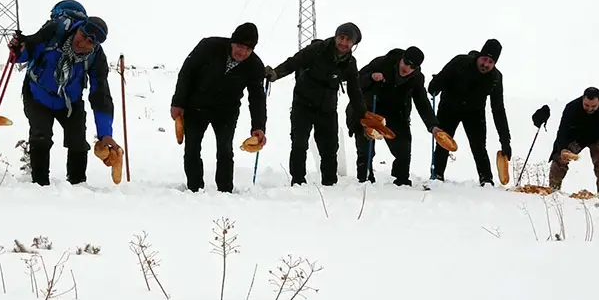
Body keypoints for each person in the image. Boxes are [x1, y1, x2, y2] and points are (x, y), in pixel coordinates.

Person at [8, 13, 120, 185]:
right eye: (83, 36)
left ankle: (78, 184)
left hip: (69, 100)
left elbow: (100, 95)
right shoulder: (54, 31)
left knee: (78, 140)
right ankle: (39, 184)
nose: (82, 44)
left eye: (90, 42)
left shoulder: (95, 57)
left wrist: (105, 133)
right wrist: (18, 50)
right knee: (41, 136)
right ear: (79, 29)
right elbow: (30, 48)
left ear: (95, 46)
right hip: (38, 93)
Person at [265, 23, 366, 186]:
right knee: (299, 143)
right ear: (336, 36)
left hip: (327, 109)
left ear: (354, 44)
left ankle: (330, 182)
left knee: (330, 147)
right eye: (341, 38)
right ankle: (298, 181)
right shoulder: (318, 49)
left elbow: (355, 92)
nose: (344, 43)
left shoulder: (350, 63)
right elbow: (294, 62)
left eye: (349, 40)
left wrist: (363, 116)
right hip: (303, 104)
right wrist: (276, 73)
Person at [170, 23, 267, 193]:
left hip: (226, 112)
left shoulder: (255, 66)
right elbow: (187, 72)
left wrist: (258, 126)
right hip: (196, 106)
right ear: (232, 42)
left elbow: (257, 98)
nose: (242, 52)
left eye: (248, 49)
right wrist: (178, 103)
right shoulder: (209, 47)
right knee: (192, 147)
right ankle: (194, 188)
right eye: (239, 46)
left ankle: (225, 190)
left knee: (225, 149)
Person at [346, 46, 443, 185]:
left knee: (404, 148)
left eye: (412, 66)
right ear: (401, 59)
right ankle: (365, 178)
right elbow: (356, 82)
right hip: (369, 110)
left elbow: (422, 102)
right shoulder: (382, 63)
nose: (407, 67)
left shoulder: (416, 79)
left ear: (416, 69)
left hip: (396, 113)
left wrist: (433, 125)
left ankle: (401, 180)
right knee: (366, 147)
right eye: (406, 62)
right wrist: (371, 77)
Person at [427, 38, 511, 186]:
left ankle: (486, 179)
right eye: (484, 59)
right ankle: (437, 175)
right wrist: (434, 86)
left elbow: (498, 109)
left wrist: (505, 141)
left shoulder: (496, 78)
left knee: (479, 146)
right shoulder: (460, 62)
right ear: (480, 55)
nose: (486, 64)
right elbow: (441, 78)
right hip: (449, 107)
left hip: (474, 112)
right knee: (443, 142)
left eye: (491, 62)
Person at [548, 87, 599, 197]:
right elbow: (563, 131)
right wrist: (562, 148)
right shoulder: (571, 107)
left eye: (593, 106)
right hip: (577, 136)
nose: (590, 109)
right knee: (559, 160)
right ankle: (553, 193)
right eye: (586, 105)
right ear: (583, 99)